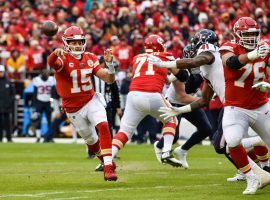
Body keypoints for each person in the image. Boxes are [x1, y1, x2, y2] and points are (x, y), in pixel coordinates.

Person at [149, 27, 270, 194]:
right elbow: (204, 100)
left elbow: (194, 62)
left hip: (239, 104)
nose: (191, 52)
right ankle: (259, 171)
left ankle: (257, 169)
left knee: (224, 145)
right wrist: (179, 111)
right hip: (235, 105)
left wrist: (165, 64)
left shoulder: (209, 52)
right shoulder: (209, 70)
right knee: (227, 144)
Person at [47, 26, 117, 181]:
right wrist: (53, 54)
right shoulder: (62, 58)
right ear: (66, 43)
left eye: (80, 41)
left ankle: (108, 168)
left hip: (90, 100)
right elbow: (52, 63)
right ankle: (106, 161)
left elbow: (109, 79)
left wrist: (110, 66)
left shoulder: (90, 57)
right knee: (91, 142)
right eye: (73, 42)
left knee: (103, 125)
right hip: (72, 108)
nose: (77, 45)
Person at [111, 34, 189, 167]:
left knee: (125, 130)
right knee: (172, 119)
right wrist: (183, 70)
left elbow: (159, 77)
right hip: (152, 94)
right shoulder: (165, 56)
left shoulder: (137, 58)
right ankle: (166, 152)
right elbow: (182, 76)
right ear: (159, 46)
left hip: (134, 95)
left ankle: (108, 158)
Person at [154, 44, 213, 169]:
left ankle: (183, 150)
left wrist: (206, 97)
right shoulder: (181, 71)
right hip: (174, 104)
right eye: (196, 55)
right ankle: (159, 146)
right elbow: (182, 97)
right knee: (174, 137)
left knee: (206, 129)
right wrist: (204, 100)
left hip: (188, 103)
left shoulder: (202, 70)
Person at [32, 68, 55, 142]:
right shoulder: (37, 80)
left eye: (47, 73)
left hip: (48, 102)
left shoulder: (51, 80)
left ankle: (49, 137)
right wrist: (35, 104)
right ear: (41, 74)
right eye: (44, 73)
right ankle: (38, 137)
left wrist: (53, 103)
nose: (46, 74)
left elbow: (54, 92)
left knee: (49, 120)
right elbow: (35, 93)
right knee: (37, 120)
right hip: (39, 102)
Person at [0, 65, 15, 142]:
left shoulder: (8, 82)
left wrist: (9, 102)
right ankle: (0, 138)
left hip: (7, 106)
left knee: (7, 123)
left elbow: (12, 94)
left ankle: (9, 138)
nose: (0, 73)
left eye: (1, 72)